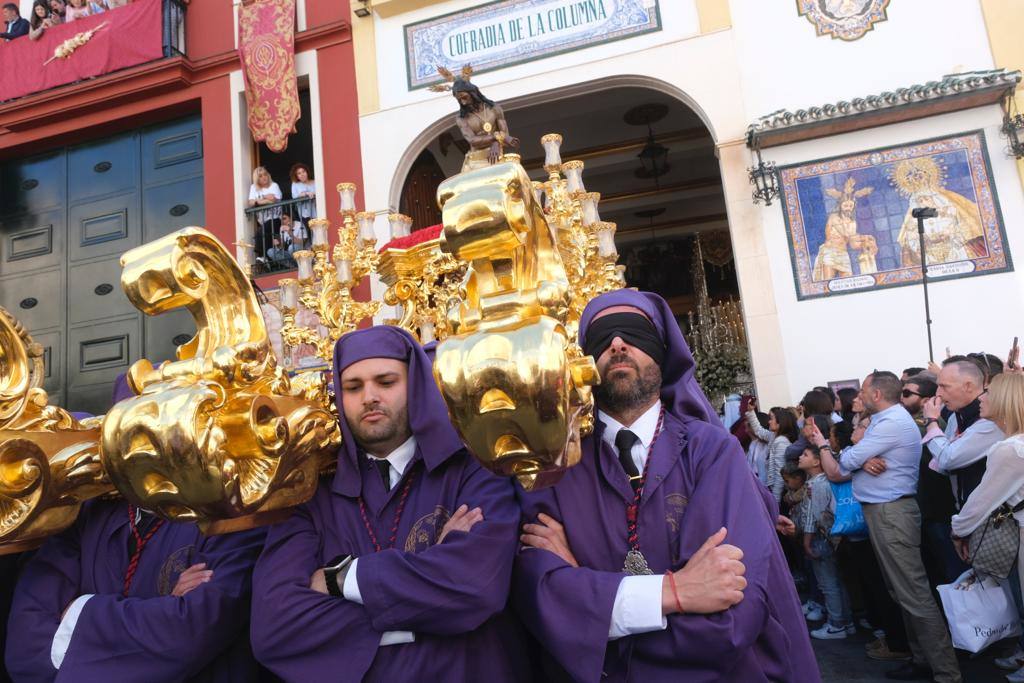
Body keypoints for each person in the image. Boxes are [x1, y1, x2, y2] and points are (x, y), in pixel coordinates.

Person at [513, 289, 819, 682]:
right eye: (603, 335)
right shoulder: (552, 468)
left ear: (661, 352)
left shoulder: (711, 451)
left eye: (633, 333)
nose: (618, 343)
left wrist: (590, 608)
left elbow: (729, 621)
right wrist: (676, 592)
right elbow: (540, 598)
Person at [251, 326, 527, 682]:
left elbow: (475, 588)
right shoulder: (311, 492)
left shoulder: (475, 465)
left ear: (415, 386)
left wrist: (340, 581)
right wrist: (429, 591)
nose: (369, 397)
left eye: (386, 382)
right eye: (353, 387)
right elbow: (274, 626)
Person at [4, 375, 266, 682]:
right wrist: (163, 608)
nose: (147, 452)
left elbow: (195, 629)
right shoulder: (84, 515)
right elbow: (25, 647)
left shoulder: (232, 514)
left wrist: (77, 614)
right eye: (131, 435)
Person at [809, 371, 961, 683]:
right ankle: (921, 659)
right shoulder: (882, 420)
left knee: (913, 594)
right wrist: (860, 458)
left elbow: (843, 464)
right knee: (900, 591)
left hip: (892, 513)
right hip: (883, 512)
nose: (858, 395)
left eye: (863, 390)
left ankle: (947, 673)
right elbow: (851, 458)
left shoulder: (891, 422)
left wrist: (853, 455)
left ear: (876, 394)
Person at [950, 371, 1024, 683]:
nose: (981, 397)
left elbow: (980, 503)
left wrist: (957, 529)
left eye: (988, 392)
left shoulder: (1010, 450)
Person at [900, 375, 965, 589]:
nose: (901, 397)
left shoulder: (923, 426)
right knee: (940, 572)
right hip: (928, 509)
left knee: (952, 574)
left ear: (926, 400)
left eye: (907, 393)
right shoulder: (912, 423)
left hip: (938, 509)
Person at [924, 358, 1005, 509]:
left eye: (944, 386)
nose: (938, 394)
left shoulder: (991, 420)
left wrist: (930, 421)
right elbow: (941, 465)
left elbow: (948, 458)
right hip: (963, 508)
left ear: (968, 386)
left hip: (986, 515)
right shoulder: (957, 416)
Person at [799, 445, 853, 639]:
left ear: (816, 462)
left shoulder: (818, 484)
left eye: (805, 454)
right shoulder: (820, 481)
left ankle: (836, 624)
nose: (800, 456)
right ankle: (846, 621)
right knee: (837, 581)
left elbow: (814, 517)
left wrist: (807, 539)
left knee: (828, 583)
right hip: (831, 539)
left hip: (822, 539)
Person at [432, 67, 520, 172]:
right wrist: (497, 138)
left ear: (473, 93)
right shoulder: (461, 118)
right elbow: (473, 140)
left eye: (464, 97)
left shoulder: (495, 109)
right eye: (459, 100)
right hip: (476, 162)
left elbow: (506, 136)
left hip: (496, 155)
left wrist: (496, 143)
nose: (463, 102)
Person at [745, 401, 799, 503]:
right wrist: (751, 411)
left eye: (772, 419)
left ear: (780, 423)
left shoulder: (781, 442)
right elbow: (759, 431)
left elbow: (779, 475)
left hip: (776, 493)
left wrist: (775, 501)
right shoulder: (773, 436)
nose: (769, 422)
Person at [248, 166, 283, 261]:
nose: (264, 177)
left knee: (260, 232)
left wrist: (259, 200)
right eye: (260, 176)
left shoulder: (274, 185)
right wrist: (264, 199)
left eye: (265, 174)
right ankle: (267, 258)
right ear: (257, 179)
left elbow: (273, 199)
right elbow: (251, 202)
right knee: (265, 235)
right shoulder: (253, 187)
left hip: (276, 219)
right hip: (263, 221)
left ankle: (262, 256)